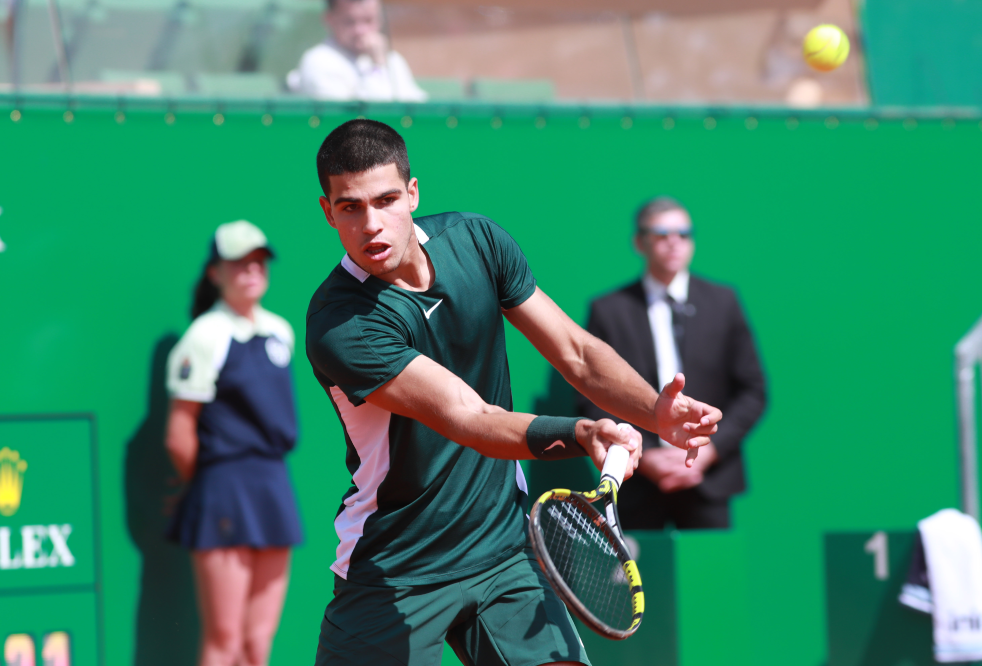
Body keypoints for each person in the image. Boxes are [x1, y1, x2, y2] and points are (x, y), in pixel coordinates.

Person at [305, 119, 723, 666]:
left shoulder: (475, 241)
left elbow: (574, 350)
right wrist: (582, 432)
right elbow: (469, 418)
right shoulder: (343, 324)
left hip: (502, 551)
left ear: (413, 193)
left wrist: (654, 412)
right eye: (350, 207)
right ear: (328, 211)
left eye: (385, 200)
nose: (372, 224)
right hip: (396, 569)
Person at [578, 197, 767, 530]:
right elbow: (590, 393)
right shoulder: (609, 310)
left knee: (712, 578)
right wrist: (646, 455)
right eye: (662, 233)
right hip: (636, 480)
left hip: (709, 481)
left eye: (683, 233)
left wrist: (708, 452)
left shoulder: (724, 302)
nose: (674, 242)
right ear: (640, 243)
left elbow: (753, 391)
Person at [165, 220, 302, 666]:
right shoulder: (203, 337)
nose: (251, 270)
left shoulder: (281, 331)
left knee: (257, 644)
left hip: (273, 487)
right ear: (215, 273)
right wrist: (209, 487)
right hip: (223, 488)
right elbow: (179, 434)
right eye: (239, 262)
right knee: (224, 640)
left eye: (258, 261)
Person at [286, 0, 427, 102]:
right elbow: (358, 124)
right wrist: (377, 66)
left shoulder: (393, 60)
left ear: (380, 19)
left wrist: (380, 62)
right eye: (350, 21)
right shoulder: (317, 61)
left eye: (368, 20)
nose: (360, 31)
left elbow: (414, 106)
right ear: (329, 19)